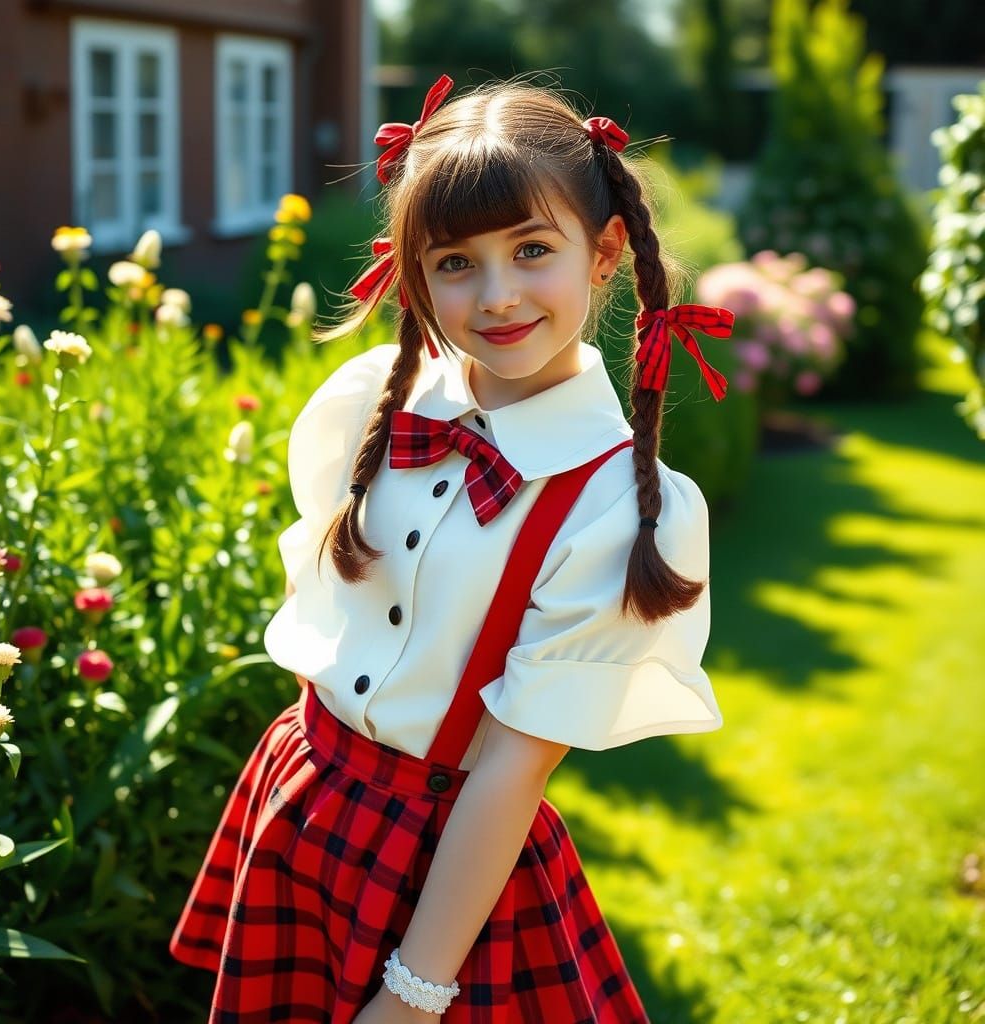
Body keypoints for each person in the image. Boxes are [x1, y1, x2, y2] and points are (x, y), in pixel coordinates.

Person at [169, 73, 735, 1022]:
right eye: (456, 263)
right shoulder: (372, 405)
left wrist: (415, 992)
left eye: (531, 250)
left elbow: (513, 767)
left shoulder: (615, 509)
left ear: (602, 254)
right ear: (412, 272)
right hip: (308, 796)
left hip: (445, 871)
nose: (498, 295)